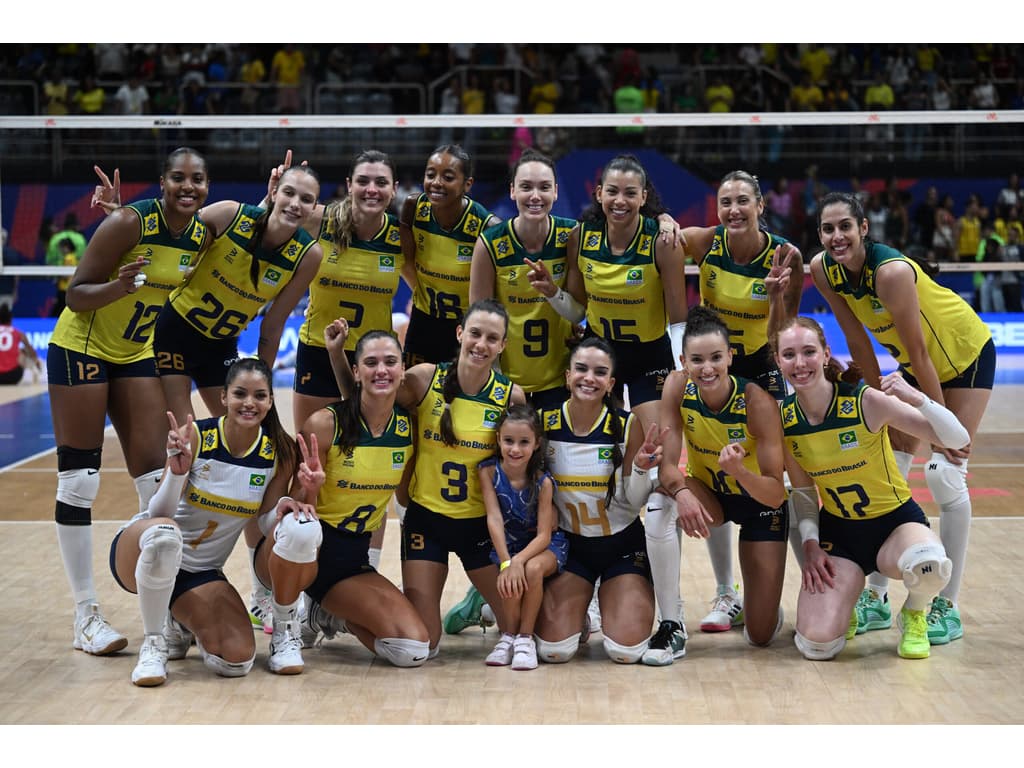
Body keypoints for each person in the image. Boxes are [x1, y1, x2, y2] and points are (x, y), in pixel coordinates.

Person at [809, 191, 994, 646]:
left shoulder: (890, 272)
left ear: (864, 229)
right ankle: (876, 597)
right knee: (886, 462)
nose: (836, 237)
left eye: (845, 227)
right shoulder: (822, 269)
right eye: (828, 229)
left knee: (947, 473)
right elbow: (856, 338)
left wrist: (940, 427)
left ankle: (945, 607)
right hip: (918, 366)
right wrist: (870, 407)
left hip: (964, 354)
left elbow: (917, 352)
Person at [47, 147, 209, 657]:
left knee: (155, 484)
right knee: (80, 480)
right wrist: (117, 285)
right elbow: (75, 295)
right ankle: (85, 614)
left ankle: (163, 614)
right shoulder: (128, 222)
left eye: (198, 179)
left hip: (136, 352)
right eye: (178, 177)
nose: (189, 186)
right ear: (161, 182)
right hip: (82, 347)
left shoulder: (201, 235)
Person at [329, 298, 527, 658]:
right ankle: (331, 616)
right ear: (460, 333)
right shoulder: (424, 378)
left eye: (492, 338)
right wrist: (336, 356)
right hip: (426, 522)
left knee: (526, 634)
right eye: (475, 334)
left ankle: (479, 602)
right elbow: (364, 403)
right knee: (425, 645)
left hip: (478, 526)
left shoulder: (510, 397)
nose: (481, 344)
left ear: (503, 346)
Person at [773, 316, 969, 660]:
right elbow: (803, 494)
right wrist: (811, 544)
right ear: (778, 361)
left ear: (825, 353)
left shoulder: (865, 401)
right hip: (840, 532)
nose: (799, 363)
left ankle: (914, 613)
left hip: (895, 524)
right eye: (789, 355)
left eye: (808, 352)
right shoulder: (784, 419)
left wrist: (917, 399)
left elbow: (957, 438)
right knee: (817, 645)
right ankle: (851, 600)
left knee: (931, 566)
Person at [110, 358, 311, 686]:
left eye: (260, 395)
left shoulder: (279, 452)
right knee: (165, 536)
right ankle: (154, 642)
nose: (249, 403)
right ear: (223, 398)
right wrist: (176, 474)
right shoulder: (198, 437)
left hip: (198, 573)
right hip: (143, 549)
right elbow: (157, 510)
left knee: (236, 661)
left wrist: (287, 507)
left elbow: (263, 526)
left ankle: (179, 621)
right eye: (240, 394)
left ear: (271, 401)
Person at [665, 170, 802, 638]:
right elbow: (663, 238)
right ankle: (726, 591)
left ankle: (811, 586)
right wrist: (664, 220)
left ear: (761, 205)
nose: (733, 210)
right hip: (710, 358)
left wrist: (779, 295)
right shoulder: (705, 242)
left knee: (784, 472)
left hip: (759, 365)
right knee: (707, 466)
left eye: (743, 201)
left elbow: (785, 330)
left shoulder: (785, 255)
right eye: (725, 202)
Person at [276, 329, 431, 669]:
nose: (381, 370)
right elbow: (290, 510)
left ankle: (328, 616)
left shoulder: (408, 429)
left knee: (414, 649)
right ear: (356, 371)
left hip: (351, 557)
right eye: (371, 362)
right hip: (309, 550)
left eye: (390, 362)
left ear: (403, 369)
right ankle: (285, 624)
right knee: (300, 530)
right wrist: (311, 487)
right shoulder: (323, 425)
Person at [649, 306, 789, 665]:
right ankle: (671, 618)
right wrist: (681, 492)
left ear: (730, 356)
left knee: (760, 637)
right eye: (696, 359)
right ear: (683, 361)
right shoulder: (678, 388)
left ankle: (762, 608)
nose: (706, 368)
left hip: (759, 503)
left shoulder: (756, 401)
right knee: (661, 501)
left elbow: (776, 493)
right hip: (712, 497)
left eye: (715, 357)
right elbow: (667, 466)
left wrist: (739, 471)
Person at [152, 163, 323, 423]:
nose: (296, 204)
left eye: (306, 199)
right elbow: (173, 235)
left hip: (220, 346)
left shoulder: (308, 255)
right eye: (289, 193)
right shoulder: (229, 214)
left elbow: (274, 324)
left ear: (314, 207)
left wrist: (262, 378)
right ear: (274, 192)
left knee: (246, 429)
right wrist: (124, 220)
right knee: (184, 430)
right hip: (173, 335)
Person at [532, 336, 661, 664]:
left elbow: (634, 501)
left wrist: (642, 470)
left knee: (626, 651)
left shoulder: (626, 424)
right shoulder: (545, 422)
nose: (589, 378)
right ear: (567, 376)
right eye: (581, 369)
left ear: (610, 383)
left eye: (599, 372)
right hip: (571, 549)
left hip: (621, 545)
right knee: (553, 651)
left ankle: (615, 597)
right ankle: (581, 612)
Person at [480, 404, 567, 670]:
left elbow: (543, 534)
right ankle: (508, 635)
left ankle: (525, 638)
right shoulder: (488, 472)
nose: (515, 449)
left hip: (545, 546)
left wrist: (518, 561)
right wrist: (507, 562)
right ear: (498, 439)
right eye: (508, 441)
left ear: (536, 444)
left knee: (531, 568)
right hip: (510, 545)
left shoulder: (543, 482)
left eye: (523, 442)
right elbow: (493, 518)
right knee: (508, 576)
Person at [399, 145, 499, 368]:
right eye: (430, 174)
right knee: (413, 394)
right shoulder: (413, 207)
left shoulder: (487, 226)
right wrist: (421, 291)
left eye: (448, 177)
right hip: (423, 321)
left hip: (466, 327)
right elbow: (405, 262)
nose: (436, 182)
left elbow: (497, 289)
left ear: (468, 184)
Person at [0, 303, 42, 384]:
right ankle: (35, 373)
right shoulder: (18, 333)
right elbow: (32, 352)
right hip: (13, 376)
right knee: (23, 350)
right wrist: (37, 362)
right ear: (11, 319)